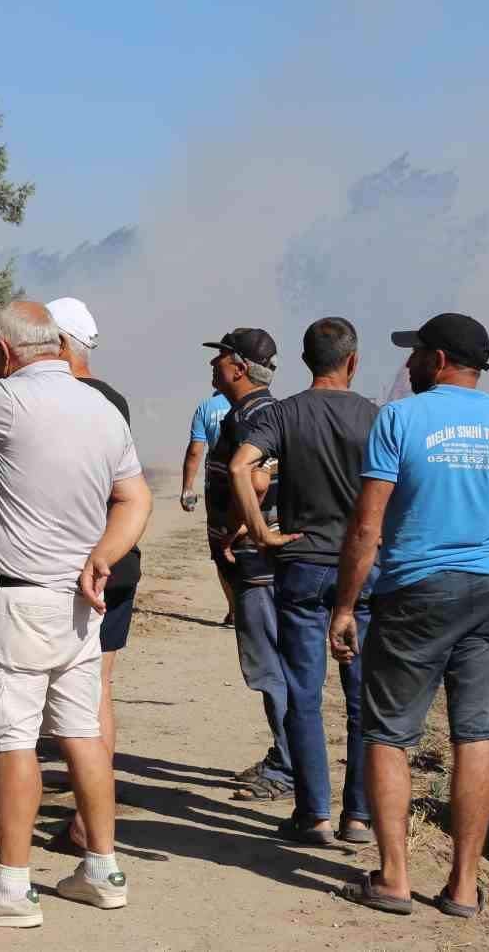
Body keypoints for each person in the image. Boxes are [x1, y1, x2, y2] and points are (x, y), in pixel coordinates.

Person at [0, 302, 152, 926]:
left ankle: (12, 889)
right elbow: (135, 495)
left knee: (13, 742)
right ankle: (102, 867)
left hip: (16, 598)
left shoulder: (7, 398)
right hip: (77, 600)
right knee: (81, 734)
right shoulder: (98, 406)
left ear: (4, 352)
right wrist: (105, 554)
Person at [329, 313, 489, 918]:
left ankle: (395, 878)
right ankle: (462, 886)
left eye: (416, 353)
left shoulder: (401, 418)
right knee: (475, 734)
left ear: (439, 360)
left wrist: (346, 606)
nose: (407, 364)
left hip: (417, 592)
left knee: (388, 733)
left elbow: (368, 527)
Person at [228, 317, 379, 845]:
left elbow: (242, 466)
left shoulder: (286, 413)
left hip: (302, 566)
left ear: (305, 360)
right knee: (362, 698)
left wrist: (259, 531)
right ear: (353, 361)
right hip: (362, 572)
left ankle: (313, 814)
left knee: (304, 693)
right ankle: (359, 816)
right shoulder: (375, 417)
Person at [202, 327, 293, 802]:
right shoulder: (264, 412)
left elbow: (256, 479)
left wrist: (239, 524)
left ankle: (286, 769)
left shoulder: (250, 417)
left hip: (257, 566)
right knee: (276, 663)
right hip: (262, 562)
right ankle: (284, 758)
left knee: (268, 666)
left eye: (219, 359)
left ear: (238, 367)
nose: (212, 366)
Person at [182, 390, 234, 624]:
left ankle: (234, 609)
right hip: (254, 482)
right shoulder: (258, 402)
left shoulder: (207, 407)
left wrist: (188, 488)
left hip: (219, 485)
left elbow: (195, 450)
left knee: (220, 544)